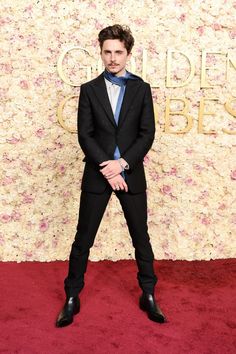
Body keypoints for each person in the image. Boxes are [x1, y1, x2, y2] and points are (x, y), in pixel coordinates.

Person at [56, 24, 166, 327]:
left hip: (130, 174)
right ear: (101, 52)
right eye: (107, 52)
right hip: (98, 174)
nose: (113, 58)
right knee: (83, 239)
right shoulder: (89, 89)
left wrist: (123, 165)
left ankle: (149, 294)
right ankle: (71, 297)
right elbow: (85, 135)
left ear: (127, 53)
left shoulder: (141, 89)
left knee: (140, 237)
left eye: (118, 52)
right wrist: (108, 166)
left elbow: (147, 134)